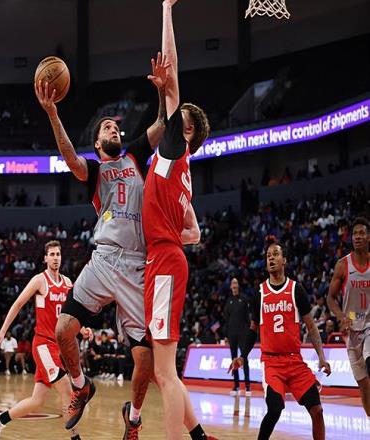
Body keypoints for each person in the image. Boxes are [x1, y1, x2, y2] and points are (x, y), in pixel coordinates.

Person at [36, 50, 170, 438]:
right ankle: (81, 387)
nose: (113, 130)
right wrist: (53, 113)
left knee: (144, 357)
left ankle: (134, 418)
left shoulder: (136, 156)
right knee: (64, 330)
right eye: (106, 128)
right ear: (96, 142)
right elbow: (68, 157)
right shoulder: (95, 171)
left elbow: (163, 123)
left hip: (136, 265)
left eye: (115, 127)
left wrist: (161, 90)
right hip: (104, 258)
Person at [142, 1, 213, 439]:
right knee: (163, 370)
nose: (171, 116)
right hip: (165, 259)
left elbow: (172, 69)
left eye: (176, 118)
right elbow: (196, 232)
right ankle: (200, 436)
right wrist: (172, 236)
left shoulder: (174, 149)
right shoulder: (181, 170)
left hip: (165, 261)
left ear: (184, 131)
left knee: (164, 373)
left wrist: (167, 9)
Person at [229, 241, 331, 440]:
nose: (271, 258)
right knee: (275, 409)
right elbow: (252, 330)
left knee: (317, 410)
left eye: (275, 254)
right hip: (272, 363)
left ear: (284, 260)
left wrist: (321, 357)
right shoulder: (260, 293)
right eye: (268, 256)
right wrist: (242, 356)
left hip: (295, 361)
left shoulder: (296, 289)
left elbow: (311, 326)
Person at [0, 240, 91, 440]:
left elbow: (70, 315)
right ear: (45, 258)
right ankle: (75, 437)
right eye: (51, 255)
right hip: (43, 345)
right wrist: (2, 331)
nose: (55, 258)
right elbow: (18, 304)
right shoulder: (39, 280)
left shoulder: (68, 283)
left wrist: (83, 329)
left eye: (58, 254)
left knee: (37, 400)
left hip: (59, 347)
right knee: (67, 391)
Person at [327, 216, 370, 415]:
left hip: (369, 325)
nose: (357, 237)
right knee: (364, 386)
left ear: (368, 237)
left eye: (362, 233)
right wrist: (341, 317)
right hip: (352, 328)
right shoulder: (343, 265)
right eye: (355, 234)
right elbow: (330, 298)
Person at [224, 277, 251, 396]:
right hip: (232, 334)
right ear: (230, 287)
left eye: (236, 283)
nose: (234, 285)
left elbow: (247, 318)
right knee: (234, 359)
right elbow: (227, 320)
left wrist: (250, 332)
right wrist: (226, 335)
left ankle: (247, 386)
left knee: (244, 358)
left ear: (238, 286)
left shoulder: (244, 299)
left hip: (243, 334)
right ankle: (236, 386)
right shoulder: (228, 301)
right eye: (232, 283)